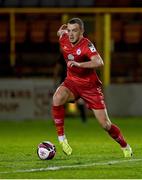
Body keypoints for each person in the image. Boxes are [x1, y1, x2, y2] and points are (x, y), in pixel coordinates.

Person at [52, 17, 132, 157]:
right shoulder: (64, 38)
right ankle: (62, 138)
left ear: (82, 31)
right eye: (69, 31)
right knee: (57, 97)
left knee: (105, 125)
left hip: (90, 88)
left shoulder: (86, 45)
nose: (70, 34)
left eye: (74, 31)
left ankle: (125, 146)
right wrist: (61, 31)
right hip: (72, 83)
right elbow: (60, 33)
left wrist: (79, 65)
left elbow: (99, 62)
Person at [53, 53, 87, 122]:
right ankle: (59, 119)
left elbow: (58, 67)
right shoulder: (65, 54)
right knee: (62, 100)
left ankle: (83, 119)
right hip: (66, 81)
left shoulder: (78, 54)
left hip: (75, 81)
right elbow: (58, 67)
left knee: (64, 100)